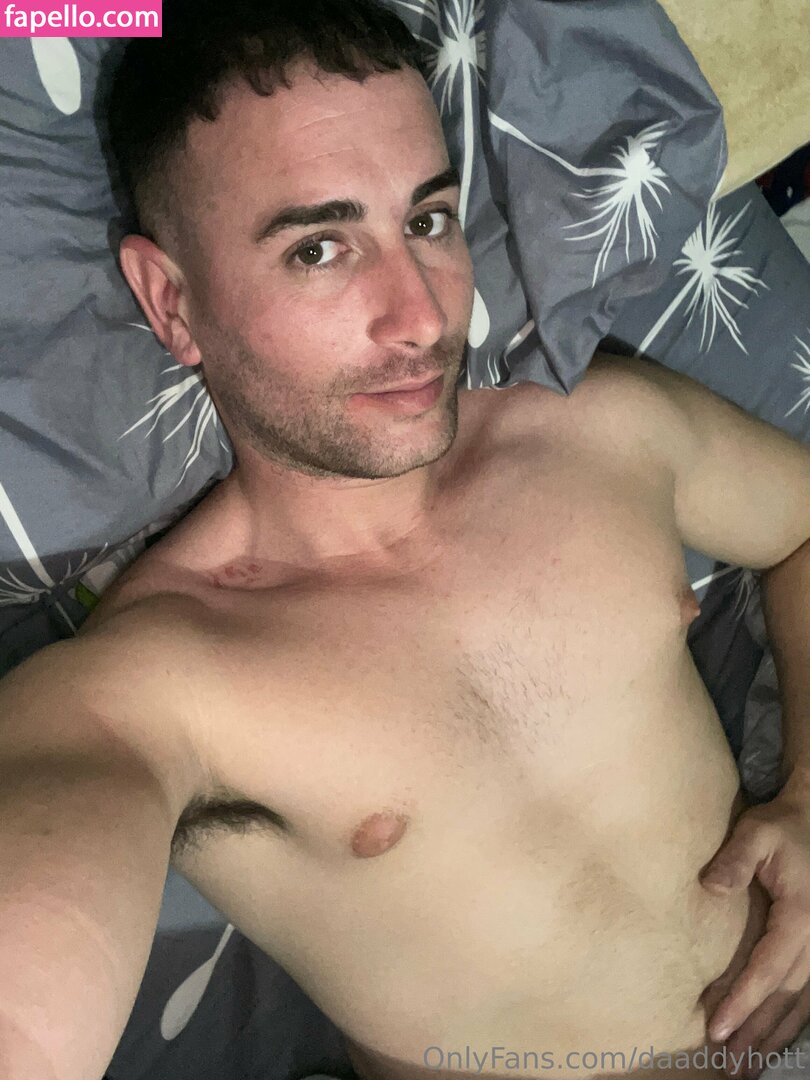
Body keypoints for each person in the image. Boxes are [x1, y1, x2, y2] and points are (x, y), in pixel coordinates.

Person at [1, 2, 809, 1079]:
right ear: (172, 302)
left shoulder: (601, 434)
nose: (422, 316)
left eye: (427, 221)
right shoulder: (154, 682)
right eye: (320, 247)